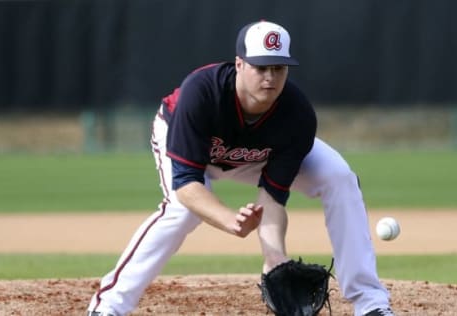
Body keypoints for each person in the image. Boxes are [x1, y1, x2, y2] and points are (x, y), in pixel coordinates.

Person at [87, 20, 394, 316]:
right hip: (185, 142)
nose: (270, 78)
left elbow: (272, 197)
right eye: (261, 67)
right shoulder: (201, 93)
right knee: (181, 211)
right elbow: (187, 186)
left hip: (254, 156)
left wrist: (273, 256)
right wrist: (231, 220)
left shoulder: (297, 115)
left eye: (279, 68)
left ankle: (370, 303)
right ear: (239, 64)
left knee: (338, 177)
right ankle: (108, 306)